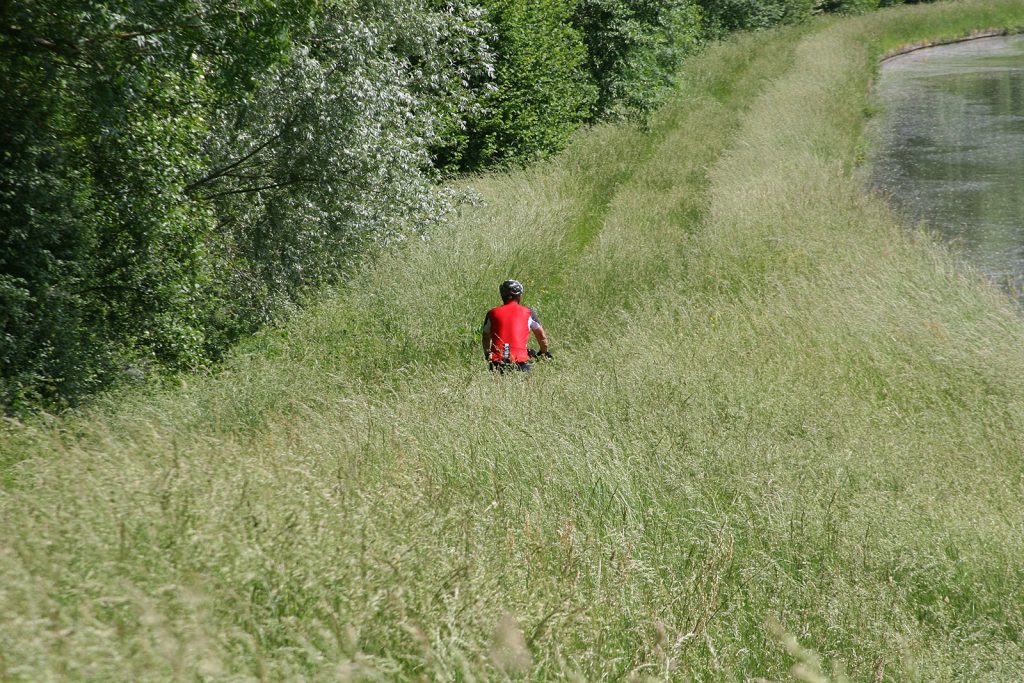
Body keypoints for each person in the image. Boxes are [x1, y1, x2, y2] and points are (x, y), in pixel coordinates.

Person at [482, 279, 551, 373]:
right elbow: (542, 337)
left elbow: (486, 337)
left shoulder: (492, 313)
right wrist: (543, 352)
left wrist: (487, 353)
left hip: (498, 360)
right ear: (520, 296)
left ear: (502, 295)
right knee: (525, 387)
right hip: (520, 361)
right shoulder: (528, 312)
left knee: (498, 387)